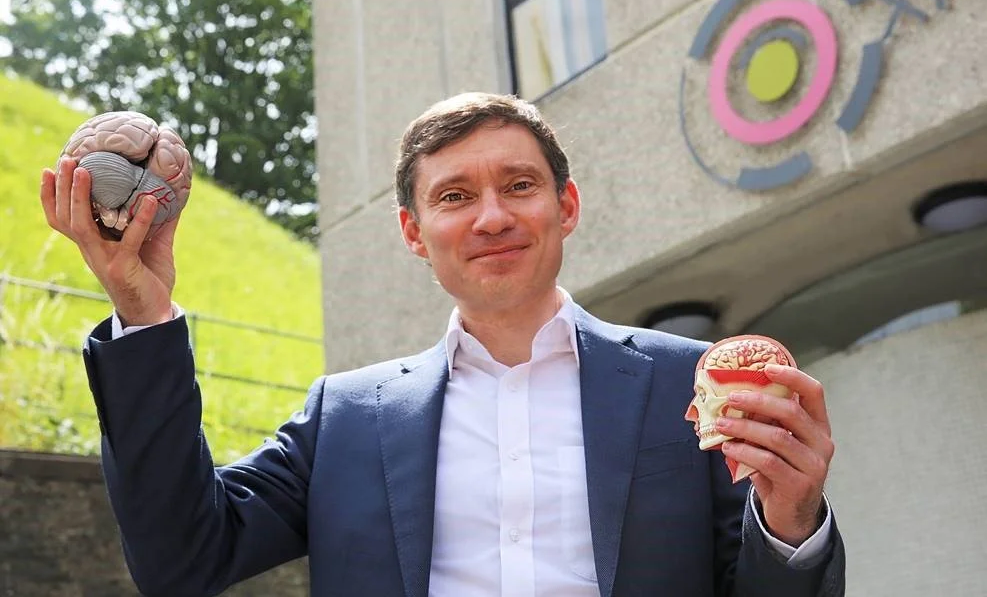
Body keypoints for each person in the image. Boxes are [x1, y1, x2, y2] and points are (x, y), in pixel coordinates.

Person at [41, 92, 845, 597]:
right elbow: (180, 561)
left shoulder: (687, 386)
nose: (491, 217)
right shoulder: (344, 420)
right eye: (454, 196)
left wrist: (791, 522)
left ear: (565, 206)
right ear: (413, 232)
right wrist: (142, 312)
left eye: (518, 186)